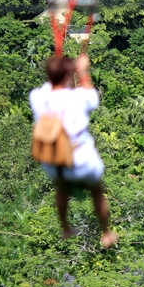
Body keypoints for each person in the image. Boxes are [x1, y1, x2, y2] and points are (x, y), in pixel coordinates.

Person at [29, 53, 118, 248]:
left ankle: (65, 227)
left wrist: (59, 69)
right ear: (69, 76)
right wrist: (82, 71)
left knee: (61, 187)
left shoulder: (38, 98)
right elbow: (92, 97)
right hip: (81, 161)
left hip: (53, 161)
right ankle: (105, 232)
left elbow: (49, 87)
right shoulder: (78, 98)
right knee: (96, 191)